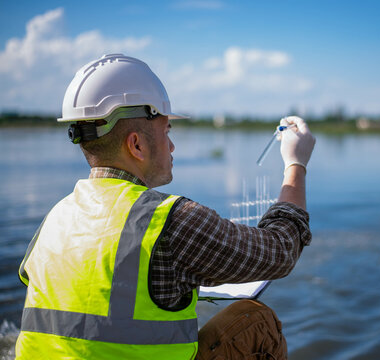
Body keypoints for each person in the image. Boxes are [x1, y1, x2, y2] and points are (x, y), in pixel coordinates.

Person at [15, 54, 315, 359]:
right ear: (136, 145)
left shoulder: (54, 218)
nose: (172, 146)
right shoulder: (169, 221)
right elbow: (280, 251)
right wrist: (296, 163)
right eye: (166, 130)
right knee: (255, 320)